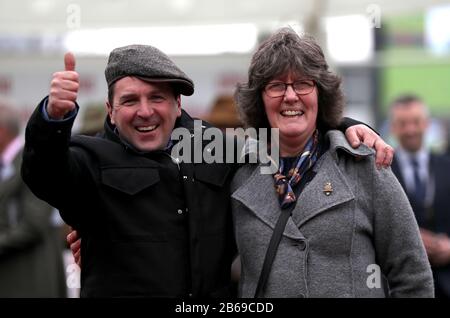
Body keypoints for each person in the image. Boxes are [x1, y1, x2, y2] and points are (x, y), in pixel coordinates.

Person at [24, 44, 393, 297]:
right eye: (130, 100)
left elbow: (288, 133)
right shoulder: (90, 159)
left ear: (177, 103)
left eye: (156, 97)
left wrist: (342, 125)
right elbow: (44, 173)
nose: (145, 111)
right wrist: (53, 117)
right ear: (109, 109)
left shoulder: (216, 146)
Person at [231, 28, 433, 298]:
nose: (290, 96)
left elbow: (412, 275)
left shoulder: (365, 166)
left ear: (320, 93)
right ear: (259, 98)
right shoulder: (236, 173)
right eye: (276, 85)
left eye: (303, 83)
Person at [0, 103, 66, 297]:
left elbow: (34, 224)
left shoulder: (32, 161)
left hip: (29, 277)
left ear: (2, 132)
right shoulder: (11, 163)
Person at [390, 94, 450, 298]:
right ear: (393, 128)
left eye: (415, 122)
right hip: (403, 285)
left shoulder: (447, 166)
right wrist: (411, 239)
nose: (410, 130)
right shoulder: (381, 171)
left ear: (427, 124)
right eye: (402, 123)